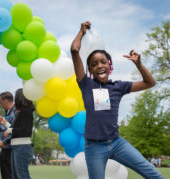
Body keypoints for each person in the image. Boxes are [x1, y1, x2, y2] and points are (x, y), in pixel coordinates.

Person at [70, 21, 164, 179]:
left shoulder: (118, 86)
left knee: (153, 174)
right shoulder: (86, 84)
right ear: (90, 70)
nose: (100, 66)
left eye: (103, 62)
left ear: (109, 65)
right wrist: (81, 32)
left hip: (117, 143)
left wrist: (139, 64)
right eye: (94, 64)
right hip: (94, 147)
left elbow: (150, 83)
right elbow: (74, 50)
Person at [0, 88, 35, 179]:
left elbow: (25, 131)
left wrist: (9, 131)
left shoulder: (26, 111)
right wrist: (6, 123)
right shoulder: (21, 112)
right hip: (16, 146)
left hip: (22, 146)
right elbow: (17, 128)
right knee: (15, 175)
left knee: (22, 175)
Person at [0, 91, 16, 179]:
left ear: (6, 101)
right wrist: (0, 128)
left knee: (9, 174)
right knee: (5, 173)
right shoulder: (7, 112)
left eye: (0, 101)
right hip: (6, 148)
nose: (0, 104)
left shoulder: (15, 112)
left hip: (11, 148)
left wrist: (4, 142)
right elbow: (8, 128)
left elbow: (16, 131)